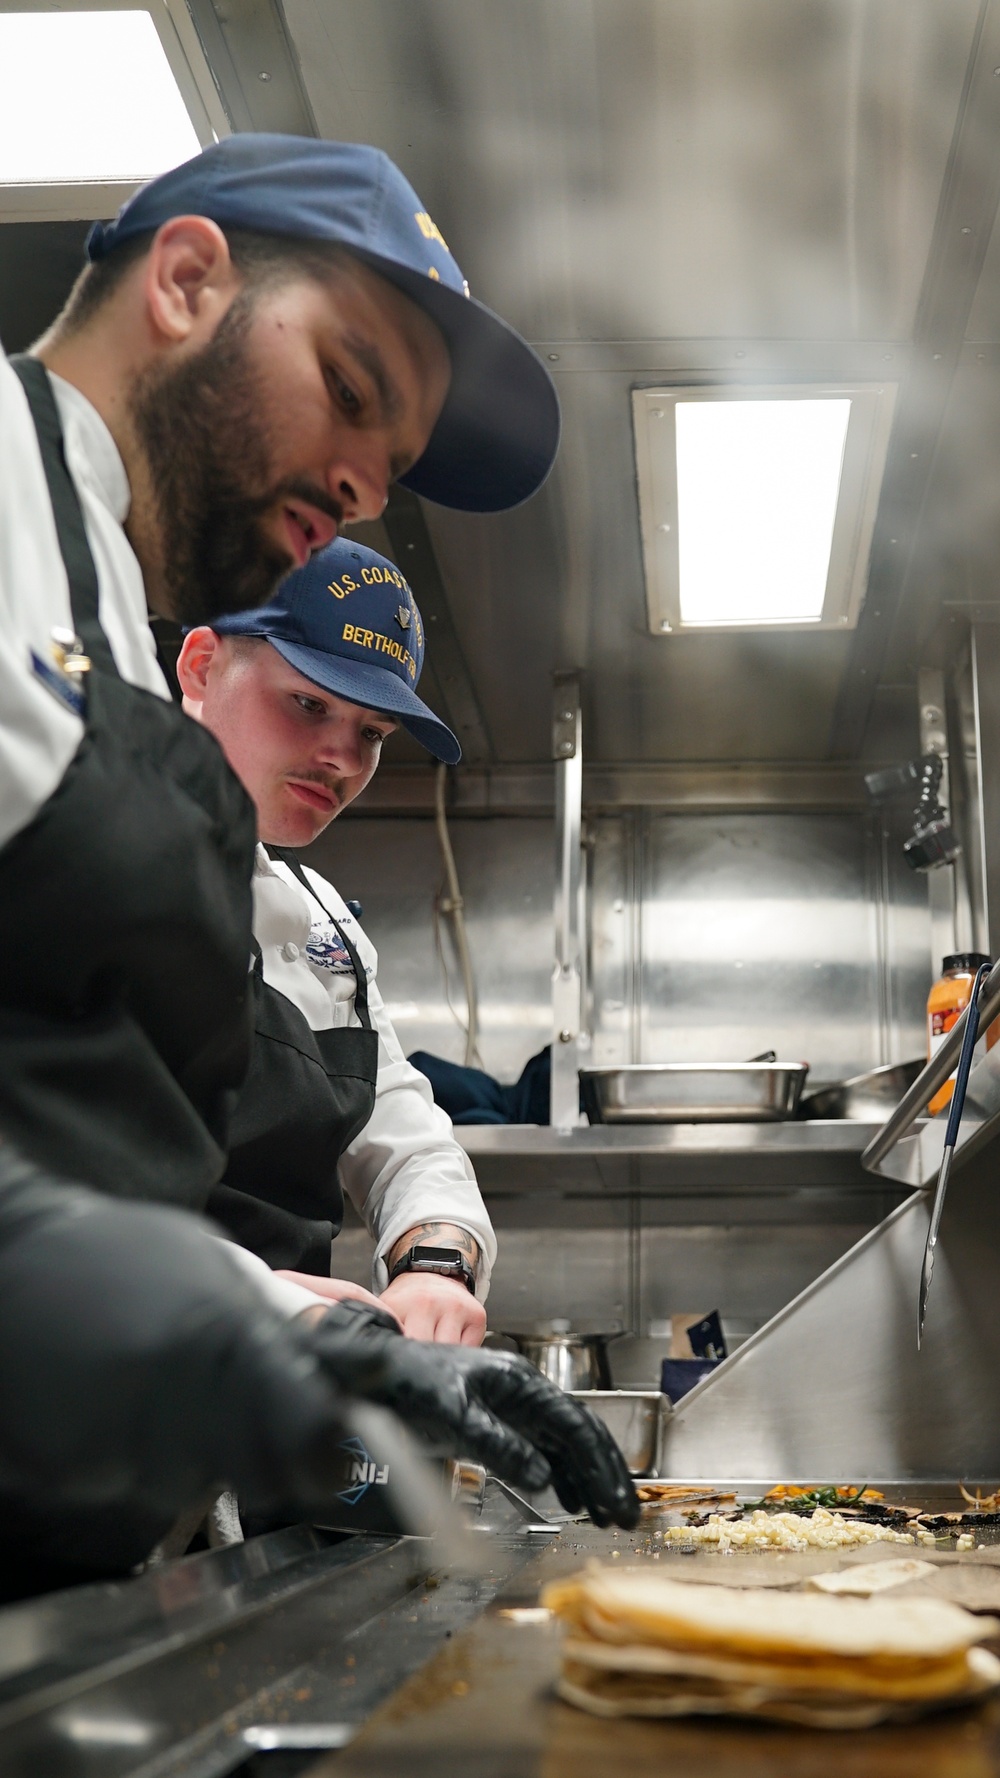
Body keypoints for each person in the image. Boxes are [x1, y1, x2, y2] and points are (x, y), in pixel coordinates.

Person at [0, 132, 636, 1585]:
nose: (358, 482)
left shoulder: (84, 573)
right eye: (351, 388)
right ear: (184, 279)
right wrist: (272, 1317)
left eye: (389, 465)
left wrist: (374, 1296)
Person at [178, 538, 493, 1347]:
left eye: (375, 733)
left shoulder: (324, 925)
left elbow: (403, 1134)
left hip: (264, 1427)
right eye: (309, 705)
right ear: (202, 666)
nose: (343, 759)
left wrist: (437, 1259)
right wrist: (275, 1307)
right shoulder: (60, 866)